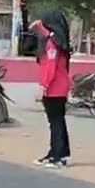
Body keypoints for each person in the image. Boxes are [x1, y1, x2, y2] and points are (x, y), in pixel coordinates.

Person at [32, 11, 73, 168]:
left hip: (55, 88)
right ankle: (57, 152)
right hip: (57, 88)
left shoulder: (52, 44)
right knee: (57, 122)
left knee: (55, 123)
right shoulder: (56, 41)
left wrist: (43, 86)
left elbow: (50, 66)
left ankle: (58, 156)